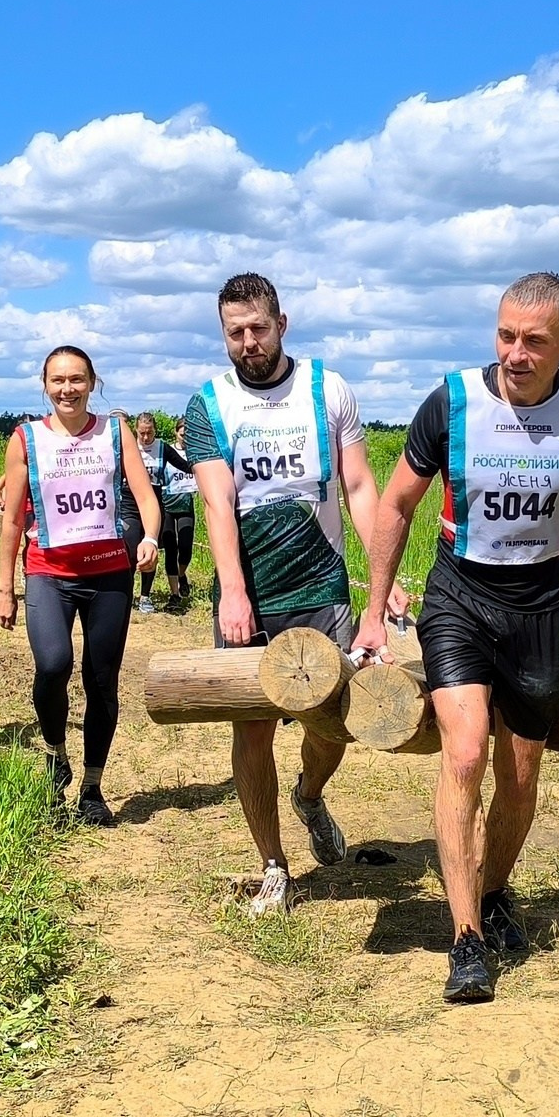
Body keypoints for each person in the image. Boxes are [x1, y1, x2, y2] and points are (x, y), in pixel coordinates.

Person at [355, 273, 559, 1004]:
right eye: (505, 334)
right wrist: (375, 610)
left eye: (535, 340)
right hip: (460, 598)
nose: (516, 352)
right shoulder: (452, 402)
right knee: (465, 751)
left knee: (522, 774)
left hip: (538, 608)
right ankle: (465, 938)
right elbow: (398, 503)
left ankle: (494, 890)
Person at [186, 272, 406, 917]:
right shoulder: (209, 402)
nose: (248, 343)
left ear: (282, 324)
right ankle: (273, 867)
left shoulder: (328, 388)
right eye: (235, 333)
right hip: (251, 591)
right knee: (251, 733)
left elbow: (360, 487)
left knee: (334, 722)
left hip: (323, 582)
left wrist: (383, 582)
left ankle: (309, 795)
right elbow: (218, 501)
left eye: (258, 329)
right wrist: (232, 592)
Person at [0, 346, 163, 827]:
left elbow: (147, 499)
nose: (67, 389)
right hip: (48, 571)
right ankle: (55, 756)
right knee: (52, 665)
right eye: (58, 380)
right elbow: (10, 521)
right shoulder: (25, 439)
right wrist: (5, 587)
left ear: (92, 382)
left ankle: (92, 786)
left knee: (101, 679)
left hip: (108, 573)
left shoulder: (115, 431)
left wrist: (149, 537)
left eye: (77, 379)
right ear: (45, 386)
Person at [135, 411, 199, 613]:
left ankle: (149, 593)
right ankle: (132, 594)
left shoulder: (162, 448)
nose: (146, 438)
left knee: (159, 548)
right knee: (131, 551)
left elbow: (185, 466)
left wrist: (208, 467)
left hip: (155, 502)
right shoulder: (129, 448)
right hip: (130, 503)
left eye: (150, 433)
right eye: (142, 433)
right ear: (136, 430)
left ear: (155, 430)